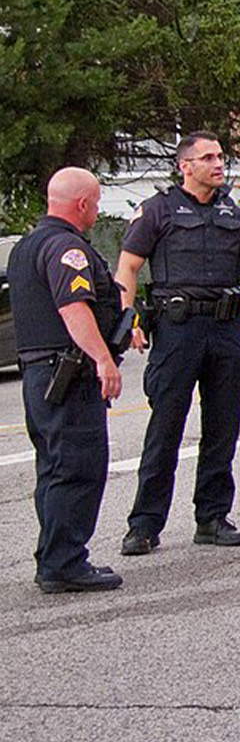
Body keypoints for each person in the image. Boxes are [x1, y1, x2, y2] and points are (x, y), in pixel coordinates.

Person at [114, 132, 240, 557]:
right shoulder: (158, 210)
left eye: (221, 156)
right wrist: (129, 321)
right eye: (209, 157)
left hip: (225, 331)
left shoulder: (234, 213)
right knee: (165, 429)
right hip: (178, 331)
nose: (219, 163)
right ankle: (143, 525)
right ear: (186, 166)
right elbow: (129, 266)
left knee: (223, 428)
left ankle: (212, 518)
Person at [11, 169, 126, 592]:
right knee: (77, 467)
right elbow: (73, 307)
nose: (96, 211)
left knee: (55, 467)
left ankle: (54, 555)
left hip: (40, 377)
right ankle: (64, 563)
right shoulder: (66, 247)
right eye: (95, 203)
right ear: (81, 204)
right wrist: (103, 359)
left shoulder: (26, 246)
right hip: (69, 376)